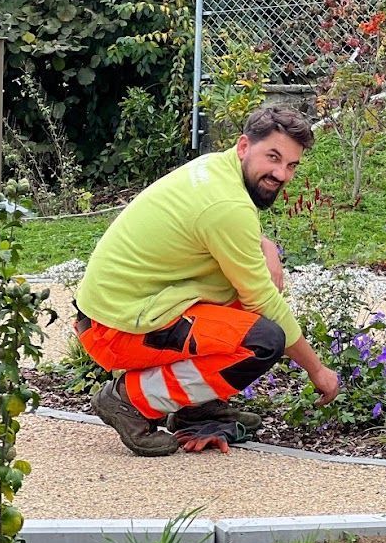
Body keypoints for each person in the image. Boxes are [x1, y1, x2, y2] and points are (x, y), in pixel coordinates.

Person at [73, 106, 339, 456]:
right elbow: (263, 299)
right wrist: (317, 370)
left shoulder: (215, 168)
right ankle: (129, 400)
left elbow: (223, 227)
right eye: (273, 157)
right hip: (115, 330)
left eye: (291, 165)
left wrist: (267, 246)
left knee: (241, 300)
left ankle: (197, 407)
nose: (281, 174)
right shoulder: (227, 205)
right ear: (244, 146)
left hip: (125, 310)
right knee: (263, 340)